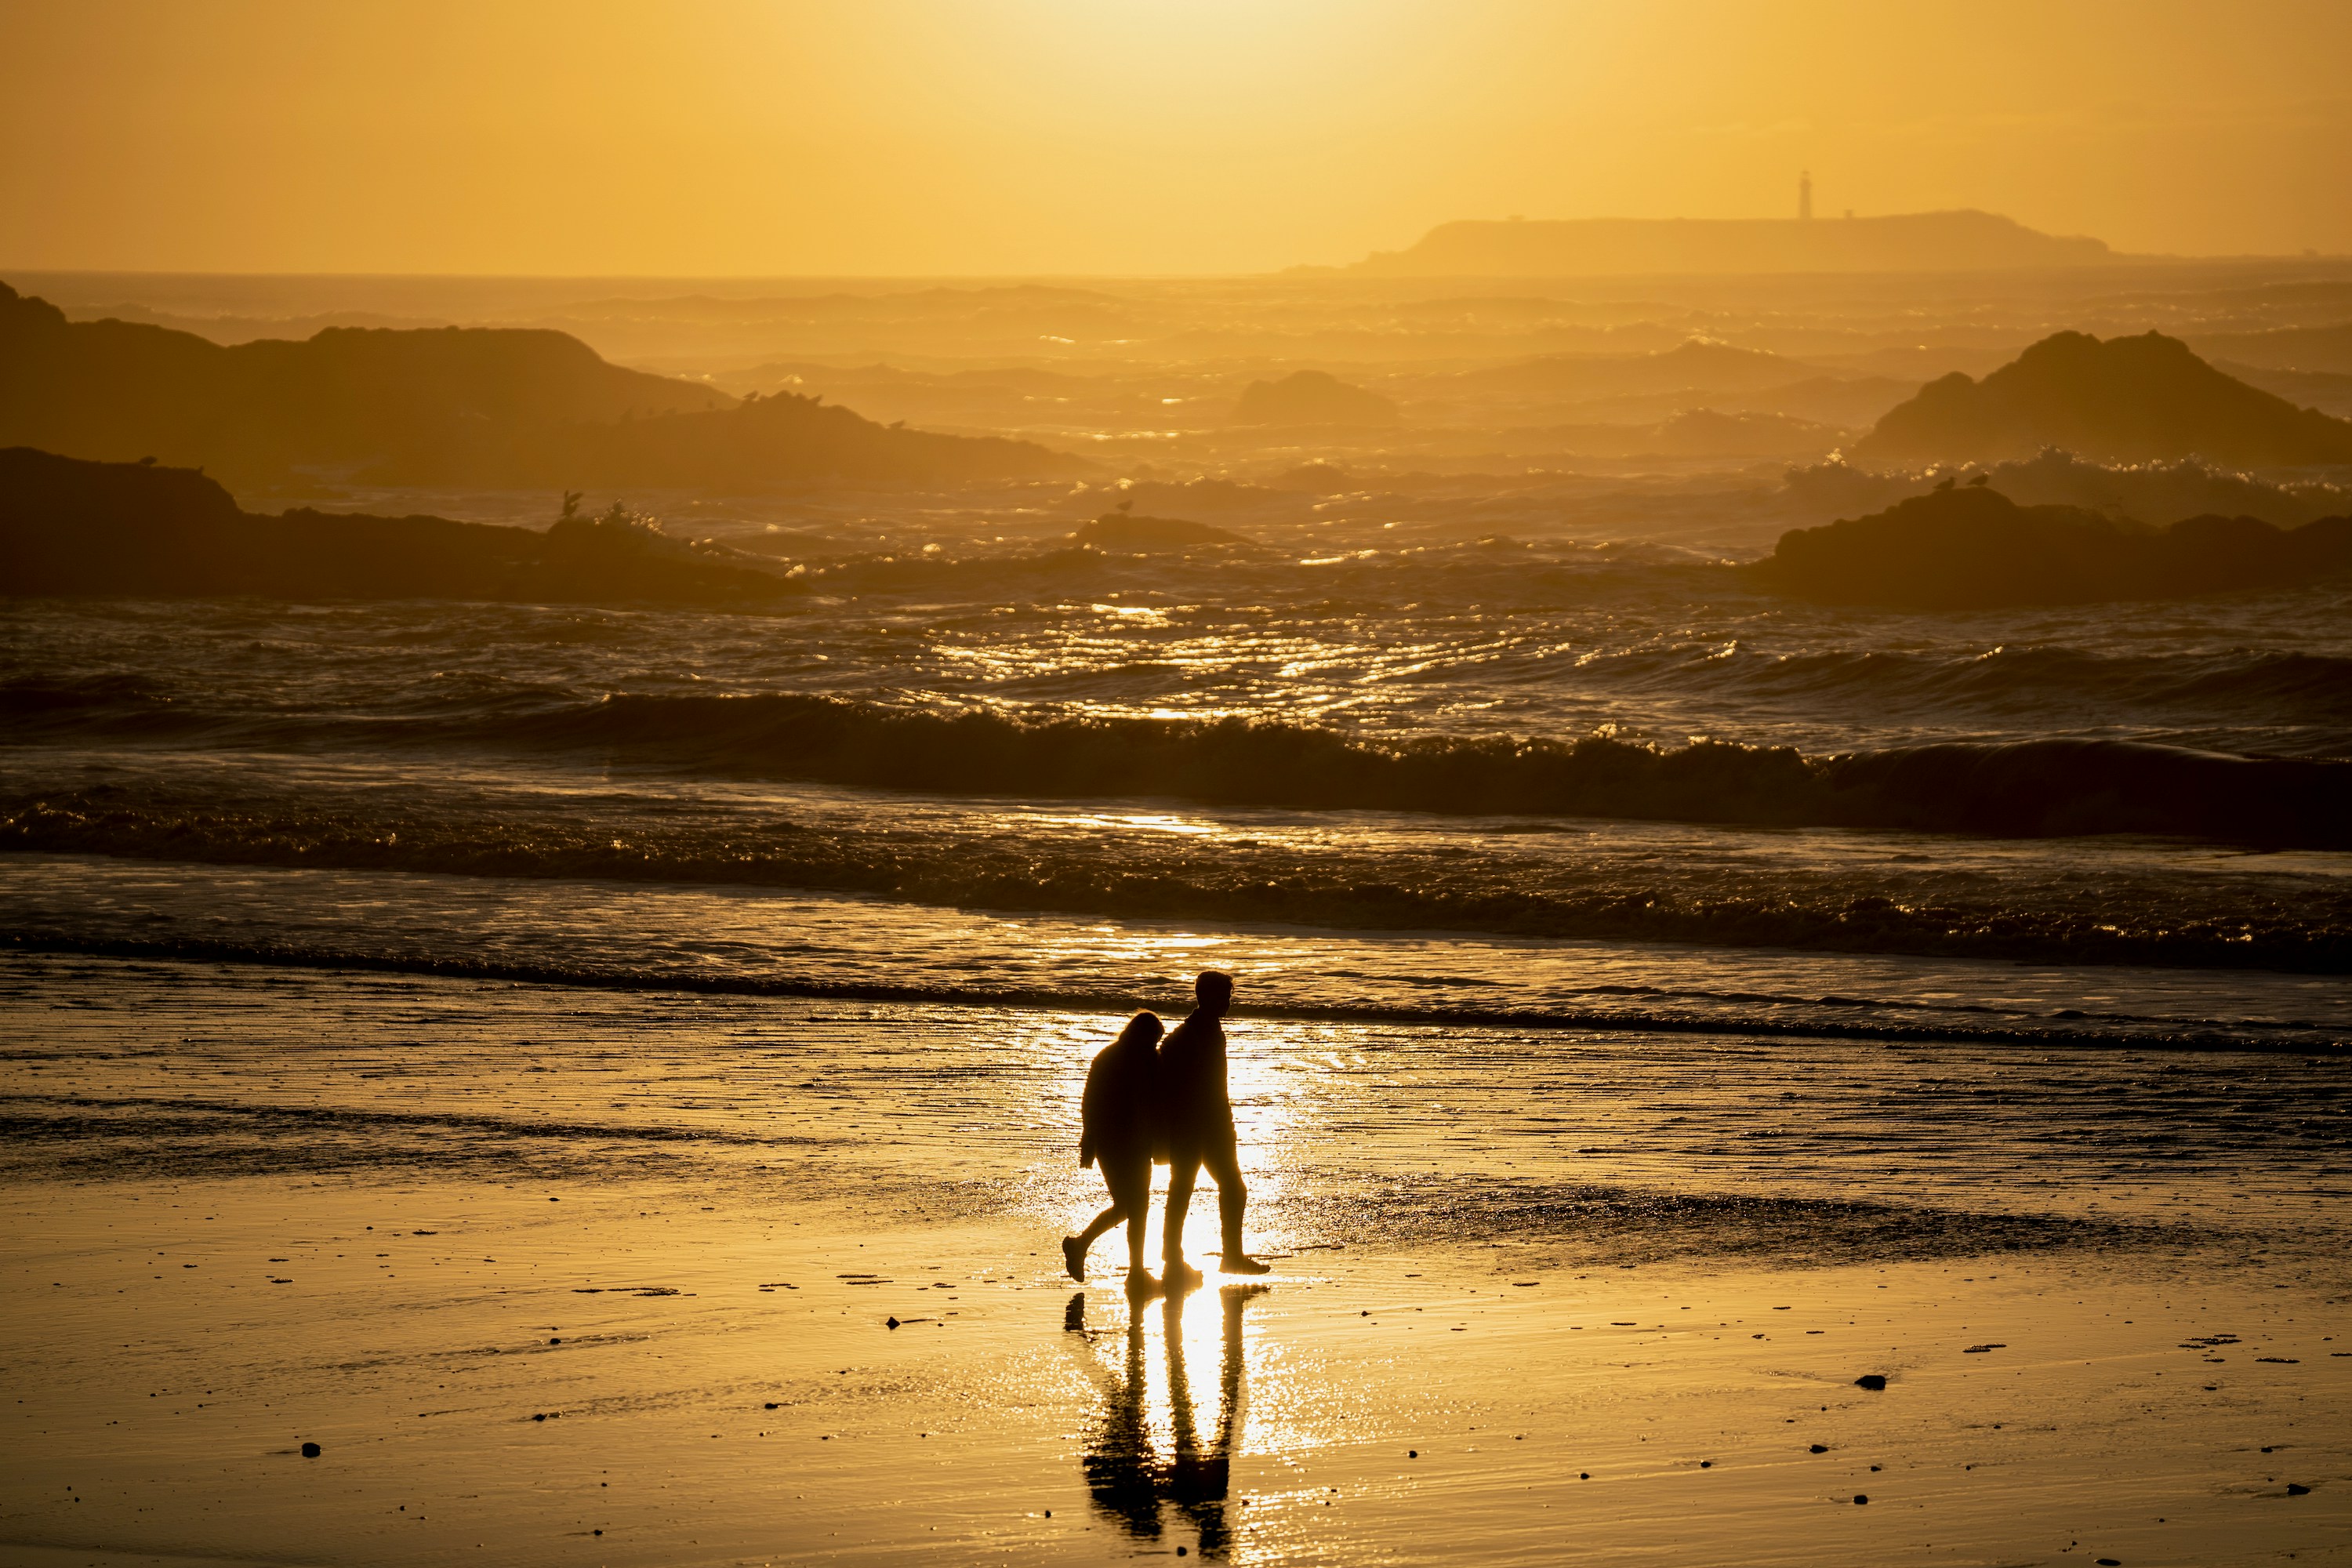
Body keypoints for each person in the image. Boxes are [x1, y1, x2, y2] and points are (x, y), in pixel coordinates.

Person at [1158, 971, 1271, 1286]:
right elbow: (1178, 1086)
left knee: (1213, 1188)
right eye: (1224, 998)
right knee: (1187, 1189)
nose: (1228, 1003)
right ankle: (1180, 1258)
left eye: (1229, 998)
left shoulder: (1207, 1029)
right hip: (1197, 1127)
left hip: (1210, 1124)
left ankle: (1223, 1257)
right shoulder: (1189, 1035)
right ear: (1206, 997)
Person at [1064, 1011, 1164, 1294]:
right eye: (1153, 1038)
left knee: (1136, 1209)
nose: (1155, 1044)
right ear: (1139, 1034)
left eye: (1158, 1040)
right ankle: (1086, 1247)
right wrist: (1089, 1140)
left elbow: (1156, 1103)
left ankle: (1133, 1270)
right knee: (1131, 1207)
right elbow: (1091, 1100)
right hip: (1113, 1143)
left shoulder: (1148, 1059)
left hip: (1138, 1144)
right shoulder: (1112, 1058)